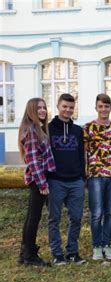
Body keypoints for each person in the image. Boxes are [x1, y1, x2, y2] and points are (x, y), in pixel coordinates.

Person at [47, 93, 86, 265]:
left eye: (71, 107)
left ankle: (72, 252)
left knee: (76, 218)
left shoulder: (78, 131)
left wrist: (82, 177)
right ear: (58, 106)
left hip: (76, 181)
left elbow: (81, 154)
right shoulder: (47, 129)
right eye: (65, 106)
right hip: (56, 181)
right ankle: (57, 254)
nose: (68, 110)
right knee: (54, 218)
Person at [17, 98, 56, 266]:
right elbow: (33, 160)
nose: (42, 111)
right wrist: (43, 184)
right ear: (31, 110)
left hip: (39, 178)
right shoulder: (33, 130)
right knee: (34, 217)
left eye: (44, 108)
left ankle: (25, 252)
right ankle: (29, 255)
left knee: (31, 217)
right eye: (38, 108)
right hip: (39, 179)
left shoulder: (35, 128)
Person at [83, 94, 111, 261]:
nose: (104, 109)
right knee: (96, 213)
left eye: (107, 106)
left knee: (110, 213)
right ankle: (97, 246)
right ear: (96, 108)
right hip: (95, 175)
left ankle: (107, 245)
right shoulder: (88, 127)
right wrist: (85, 172)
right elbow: (84, 151)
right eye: (100, 106)